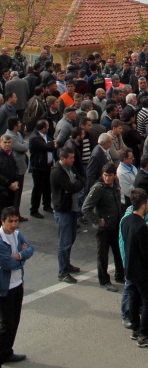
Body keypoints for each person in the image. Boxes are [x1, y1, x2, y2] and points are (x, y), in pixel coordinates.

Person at [119, 188, 148, 347]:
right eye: (147, 204)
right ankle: (144, 334)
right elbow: (146, 252)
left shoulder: (125, 220)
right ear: (144, 205)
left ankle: (136, 329)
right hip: (142, 271)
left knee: (134, 299)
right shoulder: (141, 226)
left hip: (130, 268)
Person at [82, 161, 125, 291]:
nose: (107, 178)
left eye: (110, 175)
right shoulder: (98, 188)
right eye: (105, 175)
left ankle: (120, 275)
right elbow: (86, 208)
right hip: (103, 229)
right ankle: (104, 281)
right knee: (103, 255)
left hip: (115, 225)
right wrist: (97, 220)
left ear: (114, 175)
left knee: (118, 252)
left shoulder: (115, 184)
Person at [0, 207, 33, 364]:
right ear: (2, 222)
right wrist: (22, 259)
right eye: (10, 221)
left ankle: (7, 351)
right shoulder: (0, 240)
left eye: (16, 221)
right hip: (5, 288)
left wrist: (19, 255)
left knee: (15, 321)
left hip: (18, 284)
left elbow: (30, 249)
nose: (14, 224)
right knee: (7, 323)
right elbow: (7, 263)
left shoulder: (18, 234)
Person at [50, 145, 84, 283]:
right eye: (70, 158)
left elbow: (80, 180)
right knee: (64, 242)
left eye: (73, 157)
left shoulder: (70, 168)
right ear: (62, 158)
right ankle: (62, 272)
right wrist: (76, 185)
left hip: (72, 209)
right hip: (63, 211)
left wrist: (77, 184)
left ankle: (67, 264)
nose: (73, 160)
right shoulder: (57, 172)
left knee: (71, 238)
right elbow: (71, 187)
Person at [28, 120, 55, 218]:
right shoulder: (35, 138)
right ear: (43, 128)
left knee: (47, 187)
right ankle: (34, 209)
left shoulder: (45, 136)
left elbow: (51, 143)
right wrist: (51, 144)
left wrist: (50, 144)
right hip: (38, 167)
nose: (48, 128)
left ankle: (47, 205)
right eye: (47, 127)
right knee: (37, 189)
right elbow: (46, 147)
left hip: (47, 166)